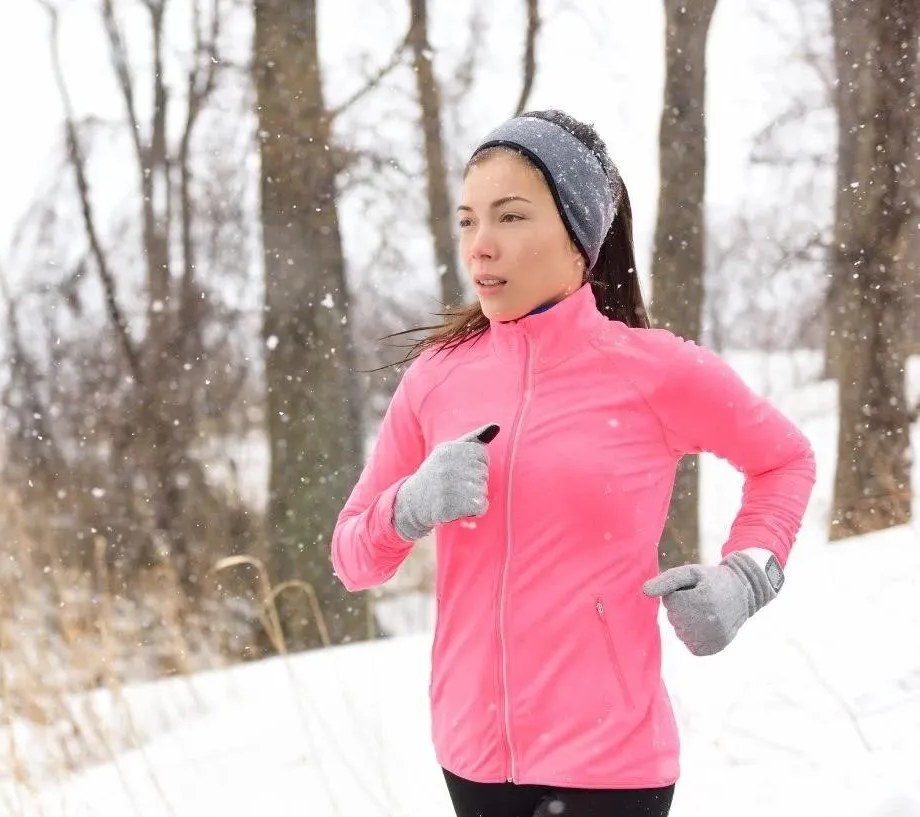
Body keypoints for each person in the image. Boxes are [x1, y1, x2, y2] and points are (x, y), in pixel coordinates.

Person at [330, 109, 816, 817]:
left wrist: (747, 577)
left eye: (511, 217)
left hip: (610, 763)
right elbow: (352, 558)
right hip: (470, 757)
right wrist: (407, 505)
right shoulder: (437, 379)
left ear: (578, 235)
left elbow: (786, 460)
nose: (481, 246)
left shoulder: (655, 372)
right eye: (467, 221)